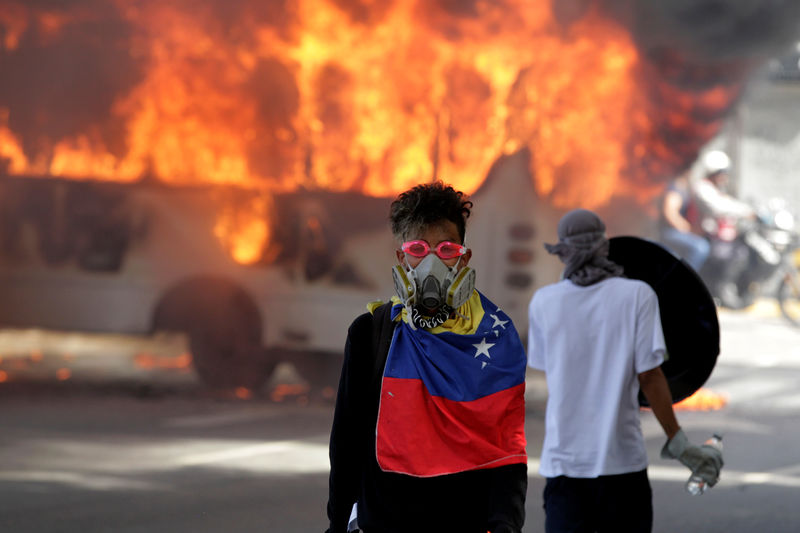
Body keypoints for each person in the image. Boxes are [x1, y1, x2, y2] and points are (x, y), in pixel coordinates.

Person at [326, 181, 528, 533]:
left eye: (446, 248)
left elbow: (506, 451)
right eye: (418, 248)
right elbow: (347, 443)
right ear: (401, 256)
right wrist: (338, 522)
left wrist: (505, 523)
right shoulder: (369, 335)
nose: (431, 261)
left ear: (464, 256)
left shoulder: (496, 338)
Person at [527, 208, 723, 533]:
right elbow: (650, 376)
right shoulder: (636, 295)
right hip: (621, 464)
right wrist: (678, 440)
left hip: (563, 465)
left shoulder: (543, 301)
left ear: (564, 251)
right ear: (604, 246)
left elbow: (551, 368)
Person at [659, 171, 710, 272]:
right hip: (668, 232)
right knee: (700, 247)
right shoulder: (675, 189)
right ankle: (684, 280)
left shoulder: (685, 188)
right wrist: (688, 229)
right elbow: (670, 213)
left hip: (677, 232)